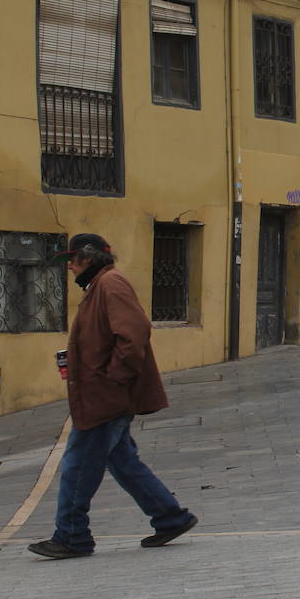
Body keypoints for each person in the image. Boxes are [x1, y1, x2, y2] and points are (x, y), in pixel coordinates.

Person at [28, 234, 197, 559]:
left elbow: (133, 335)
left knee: (78, 465)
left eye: (72, 260)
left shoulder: (110, 285)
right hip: (100, 394)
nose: (70, 268)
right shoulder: (102, 286)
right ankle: (170, 517)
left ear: (88, 259)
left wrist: (112, 379)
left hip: (103, 397)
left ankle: (72, 535)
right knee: (122, 462)